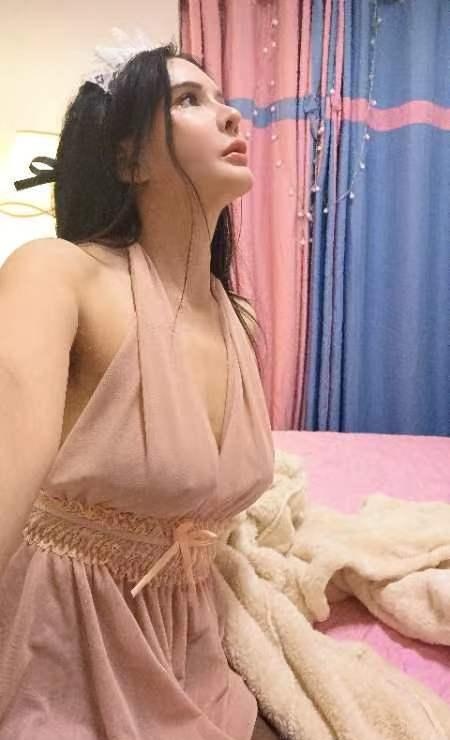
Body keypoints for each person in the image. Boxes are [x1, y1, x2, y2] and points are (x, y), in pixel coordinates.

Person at [0, 35, 279, 740]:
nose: (231, 115)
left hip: (188, 645)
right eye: (188, 100)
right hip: (58, 649)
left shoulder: (237, 317)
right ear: (128, 160)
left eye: (221, 98)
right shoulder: (58, 273)